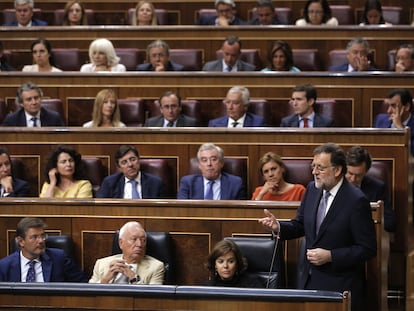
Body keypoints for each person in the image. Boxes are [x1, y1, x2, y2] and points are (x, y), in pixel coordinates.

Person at [258, 143, 377, 311]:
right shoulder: (312, 190)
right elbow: (300, 224)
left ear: (336, 171)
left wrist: (331, 256)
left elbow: (367, 249)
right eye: (313, 166)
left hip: (340, 288)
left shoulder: (356, 201)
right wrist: (278, 226)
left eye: (320, 168)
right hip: (309, 283)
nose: (314, 172)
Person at [0, 217, 88, 282]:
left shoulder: (59, 259)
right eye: (34, 237)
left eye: (43, 236)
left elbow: (82, 285)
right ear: (21, 241)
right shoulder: (4, 266)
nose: (41, 241)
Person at [89, 221, 164, 284]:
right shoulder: (101, 264)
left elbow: (153, 298)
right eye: (134, 239)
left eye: (143, 240)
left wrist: (133, 277)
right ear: (121, 243)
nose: (139, 244)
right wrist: (105, 280)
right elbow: (89, 294)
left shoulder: (156, 267)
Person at [346, 146, 395, 232]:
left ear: (366, 172)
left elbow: (390, 222)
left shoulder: (377, 188)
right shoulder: (333, 185)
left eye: (358, 175)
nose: (353, 179)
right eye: (350, 173)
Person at [177, 143, 247, 199]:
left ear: (221, 163)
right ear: (199, 165)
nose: (209, 164)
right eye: (204, 160)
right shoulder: (188, 183)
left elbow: (241, 212)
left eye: (213, 159)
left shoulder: (235, 183)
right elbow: (182, 210)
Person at [97, 145, 165, 199]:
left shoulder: (155, 183)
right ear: (119, 167)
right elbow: (102, 209)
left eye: (133, 159)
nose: (130, 164)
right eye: (124, 162)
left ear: (138, 160)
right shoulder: (110, 183)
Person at [373, 88, 414, 156]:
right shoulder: (380, 120)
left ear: (407, 106)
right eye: (388, 105)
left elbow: (410, 154)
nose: (388, 111)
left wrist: (400, 128)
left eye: (393, 106)